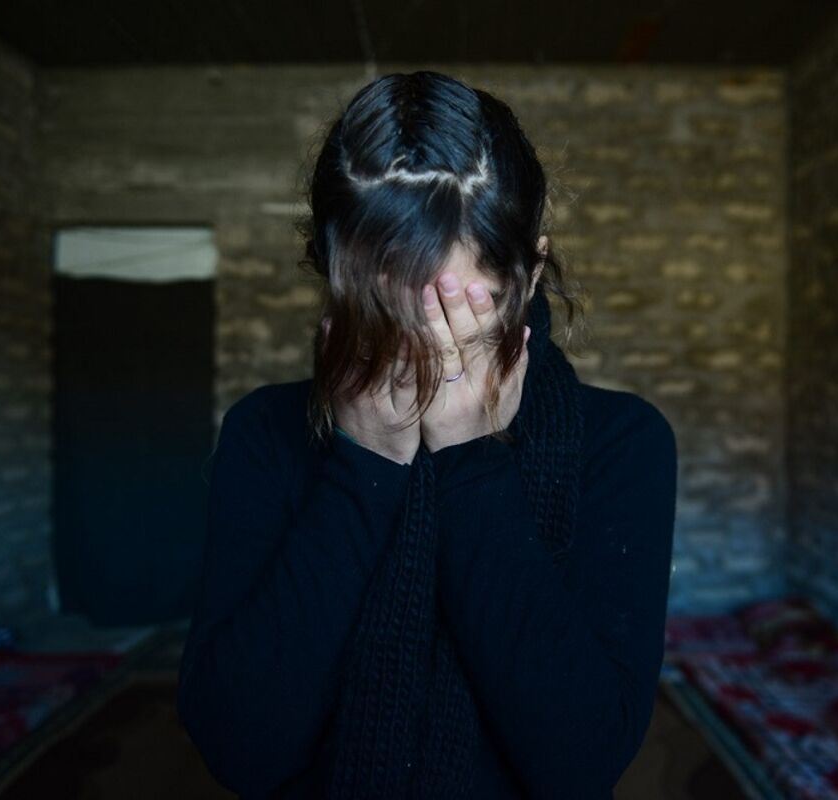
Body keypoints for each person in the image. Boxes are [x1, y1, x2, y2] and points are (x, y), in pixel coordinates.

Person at [176, 70, 678, 799]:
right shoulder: (265, 434)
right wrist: (364, 465)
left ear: (530, 273)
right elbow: (239, 750)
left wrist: (472, 461)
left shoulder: (623, 444)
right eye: (388, 319)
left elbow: (582, 764)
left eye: (464, 315)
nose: (427, 355)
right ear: (331, 279)